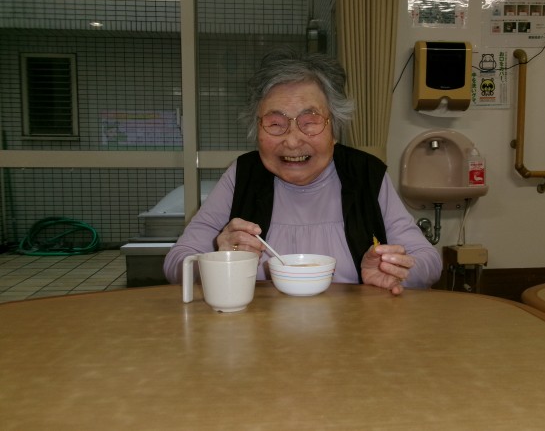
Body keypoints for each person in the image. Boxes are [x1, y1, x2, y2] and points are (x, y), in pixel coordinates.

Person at [163, 48, 442, 295]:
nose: (293, 140)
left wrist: (392, 271)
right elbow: (176, 263)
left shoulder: (366, 174)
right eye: (275, 124)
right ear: (257, 129)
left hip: (354, 330)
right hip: (258, 331)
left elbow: (428, 261)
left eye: (310, 122)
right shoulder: (243, 175)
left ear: (335, 128)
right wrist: (218, 262)